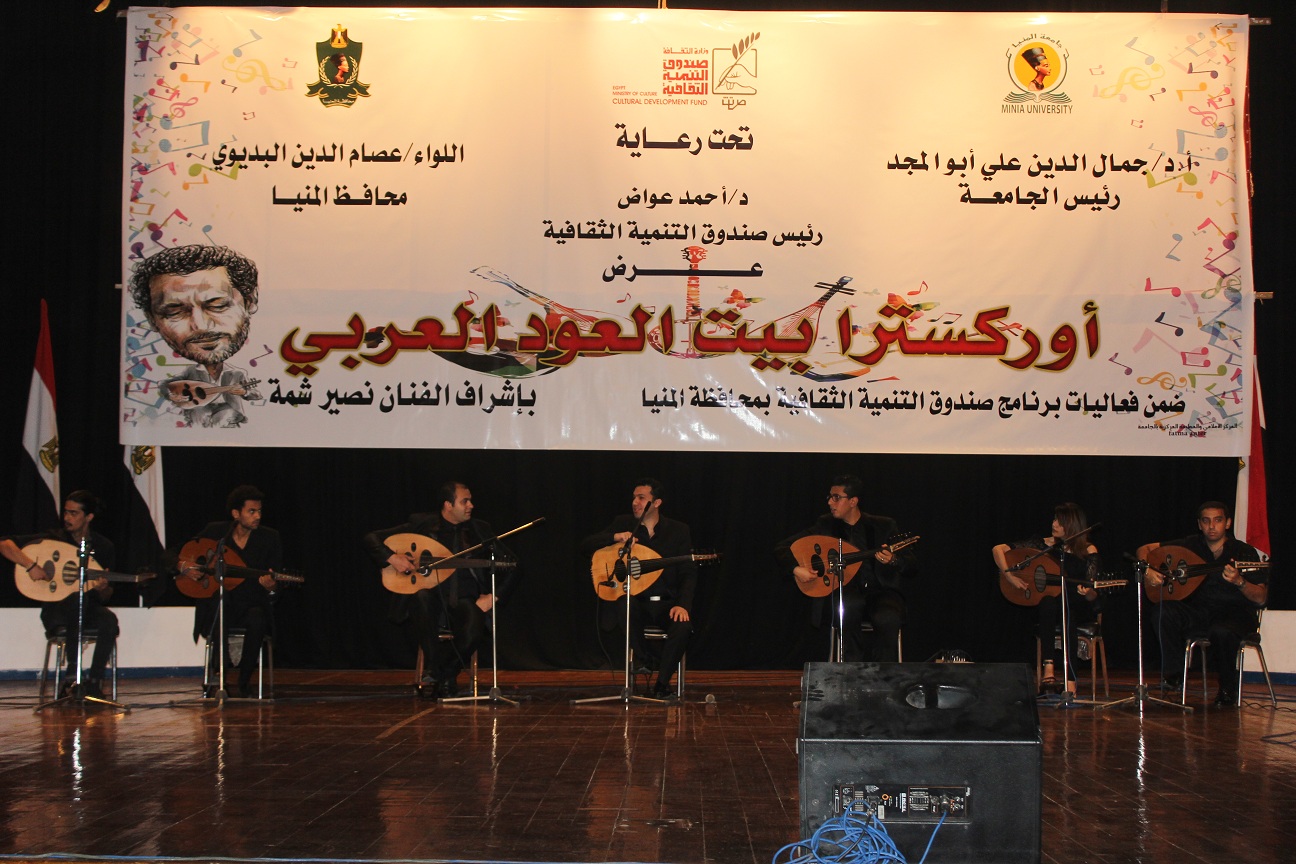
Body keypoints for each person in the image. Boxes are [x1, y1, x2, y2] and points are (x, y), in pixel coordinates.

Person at [363, 481, 519, 698]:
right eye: (465, 501)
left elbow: (513, 565)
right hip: (432, 598)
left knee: (474, 627)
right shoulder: (421, 524)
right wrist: (392, 558)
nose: (471, 505)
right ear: (448, 505)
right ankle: (440, 674)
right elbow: (371, 538)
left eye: (470, 501)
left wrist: (494, 596)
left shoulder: (479, 529)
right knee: (421, 598)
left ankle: (443, 673)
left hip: (466, 599)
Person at [1138, 501, 1268, 706]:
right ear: (1199, 524)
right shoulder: (1190, 545)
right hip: (1198, 612)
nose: (1211, 526)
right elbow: (1144, 549)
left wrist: (1240, 582)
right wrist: (1147, 570)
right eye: (1206, 521)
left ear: (1228, 523)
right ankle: (1174, 676)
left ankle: (1228, 688)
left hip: (1235, 615)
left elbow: (1261, 597)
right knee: (1163, 611)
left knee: (1221, 631)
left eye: (1218, 520)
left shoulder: (1244, 552)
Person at [774, 474, 916, 662]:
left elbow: (911, 565)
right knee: (848, 607)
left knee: (888, 617)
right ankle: (851, 670)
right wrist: (795, 569)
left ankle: (885, 673)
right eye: (829, 497)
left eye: (836, 498)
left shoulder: (884, 526)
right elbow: (783, 547)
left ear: (853, 501)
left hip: (881, 591)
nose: (830, 502)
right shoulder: (825, 525)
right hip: (844, 591)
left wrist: (893, 560)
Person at [580, 478, 697, 699]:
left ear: (657, 502)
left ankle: (662, 684)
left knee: (682, 627)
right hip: (637, 603)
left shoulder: (679, 531)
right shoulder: (623, 524)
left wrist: (683, 605)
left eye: (641, 498)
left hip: (666, 604)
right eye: (634, 498)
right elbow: (585, 546)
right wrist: (615, 537)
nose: (635, 502)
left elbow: (688, 573)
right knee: (625, 603)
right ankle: (644, 660)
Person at [127, 244, 263, 428]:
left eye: (217, 305)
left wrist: (245, 392)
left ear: (250, 302)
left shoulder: (238, 374)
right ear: (152, 319)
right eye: (174, 312)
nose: (200, 325)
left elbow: (255, 396)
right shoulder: (179, 378)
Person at [0, 490, 119, 698]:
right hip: (56, 610)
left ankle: (94, 681)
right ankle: (72, 676)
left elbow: (106, 596)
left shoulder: (103, 547)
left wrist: (102, 588)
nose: (67, 518)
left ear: (89, 517)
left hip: (88, 608)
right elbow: (5, 544)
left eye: (74, 513)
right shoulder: (54, 538)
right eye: (65, 512)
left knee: (109, 620)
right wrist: (30, 565)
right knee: (75, 600)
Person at [179, 485, 280, 698]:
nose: (257, 516)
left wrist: (271, 586)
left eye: (259, 511)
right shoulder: (216, 533)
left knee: (257, 618)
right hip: (221, 603)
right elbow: (180, 552)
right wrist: (183, 566)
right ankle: (220, 674)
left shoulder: (269, 537)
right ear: (236, 513)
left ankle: (244, 679)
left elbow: (274, 579)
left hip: (251, 602)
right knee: (220, 603)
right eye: (251, 511)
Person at [992, 503, 1100, 695]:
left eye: (1060, 521)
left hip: (1078, 605)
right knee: (1048, 601)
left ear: (1071, 524)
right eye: (1054, 519)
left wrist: (1088, 592)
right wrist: (1009, 576)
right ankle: (1049, 670)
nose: (1054, 524)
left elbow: (1093, 593)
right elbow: (998, 549)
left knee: (1067, 609)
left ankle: (1070, 679)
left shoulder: (1088, 550)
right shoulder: (1042, 544)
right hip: (1049, 609)